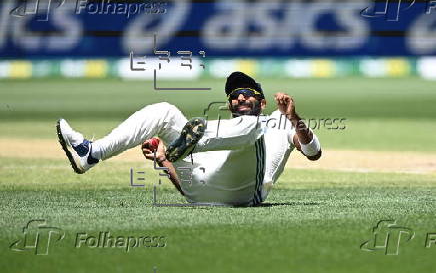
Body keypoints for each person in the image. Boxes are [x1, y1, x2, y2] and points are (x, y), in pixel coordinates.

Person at [56, 72, 321, 206]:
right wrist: (164, 161)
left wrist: (293, 116)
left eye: (246, 92)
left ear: (262, 101)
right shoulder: (227, 130)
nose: (239, 97)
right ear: (228, 105)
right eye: (233, 95)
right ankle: (91, 152)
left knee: (252, 128)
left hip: (243, 192)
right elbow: (188, 189)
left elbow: (313, 152)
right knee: (164, 111)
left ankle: (192, 142)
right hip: (201, 192)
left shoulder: (279, 120)